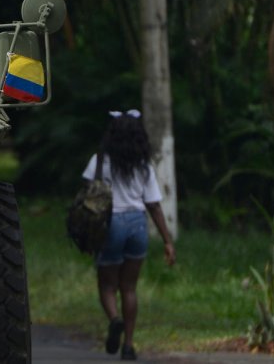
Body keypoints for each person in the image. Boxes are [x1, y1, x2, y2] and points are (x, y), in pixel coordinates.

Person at [82, 109, 176, 360]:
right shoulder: (144, 166)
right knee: (129, 288)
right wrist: (167, 241)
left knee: (107, 284)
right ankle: (129, 345)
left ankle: (115, 319)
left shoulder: (100, 161)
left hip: (111, 223)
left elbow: (87, 195)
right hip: (137, 224)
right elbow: (154, 205)